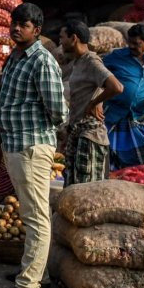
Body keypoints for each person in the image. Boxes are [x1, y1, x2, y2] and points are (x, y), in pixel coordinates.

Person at [0, 3, 67, 288]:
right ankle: (37, 273)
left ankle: (29, 286)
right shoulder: (16, 58)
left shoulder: (42, 61)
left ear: (37, 30)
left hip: (32, 144)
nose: (16, 28)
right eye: (15, 22)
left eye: (24, 24)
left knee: (36, 218)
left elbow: (58, 111)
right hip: (16, 143)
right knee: (33, 214)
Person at [59, 20, 124, 186]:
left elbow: (116, 87)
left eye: (62, 37)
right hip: (78, 132)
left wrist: (93, 103)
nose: (60, 42)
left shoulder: (91, 61)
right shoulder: (78, 62)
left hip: (90, 135)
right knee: (72, 186)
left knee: (85, 189)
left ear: (74, 38)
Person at [103, 24, 144, 170]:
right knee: (114, 151)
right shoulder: (116, 57)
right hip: (118, 114)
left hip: (143, 115)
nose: (132, 46)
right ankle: (117, 180)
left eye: (137, 44)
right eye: (130, 42)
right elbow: (97, 69)